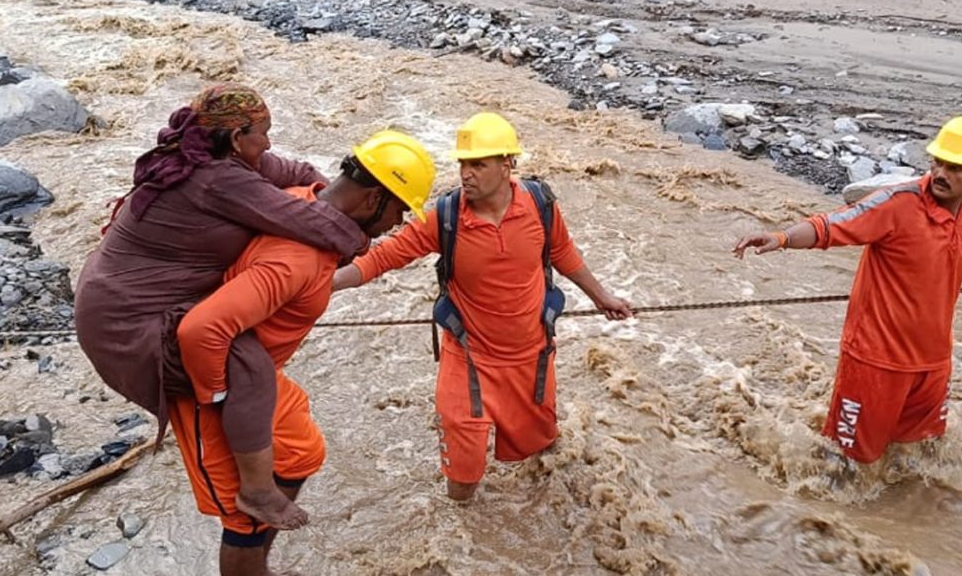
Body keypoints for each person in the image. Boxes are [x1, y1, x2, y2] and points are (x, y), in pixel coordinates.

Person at [74, 83, 369, 531]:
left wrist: (325, 187)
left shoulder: (214, 152)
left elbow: (291, 170)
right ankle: (255, 491)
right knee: (245, 368)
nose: (268, 143)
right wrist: (363, 235)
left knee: (242, 363)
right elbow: (307, 222)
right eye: (263, 133)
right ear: (236, 137)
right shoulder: (216, 178)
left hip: (112, 296)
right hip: (127, 319)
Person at [172, 130, 435, 576]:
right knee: (245, 516)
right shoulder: (297, 257)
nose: (397, 223)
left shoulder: (301, 200)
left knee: (301, 451)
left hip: (254, 373)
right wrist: (215, 397)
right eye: (398, 210)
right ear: (374, 199)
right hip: (213, 379)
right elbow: (201, 330)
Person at [332, 112, 632, 501]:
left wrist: (602, 297)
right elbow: (383, 257)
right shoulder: (445, 216)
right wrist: (324, 284)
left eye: (478, 164)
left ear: (507, 164)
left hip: (532, 356)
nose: (466, 174)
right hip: (468, 359)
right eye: (462, 164)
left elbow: (562, 252)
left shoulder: (540, 204)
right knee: (463, 469)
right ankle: (463, 536)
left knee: (539, 452)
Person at [733, 115, 962, 464]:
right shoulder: (897, 204)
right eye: (938, 162)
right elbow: (831, 226)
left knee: (917, 457)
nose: (942, 174)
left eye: (956, 167)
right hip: (874, 361)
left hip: (932, 364)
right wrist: (781, 238)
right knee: (844, 461)